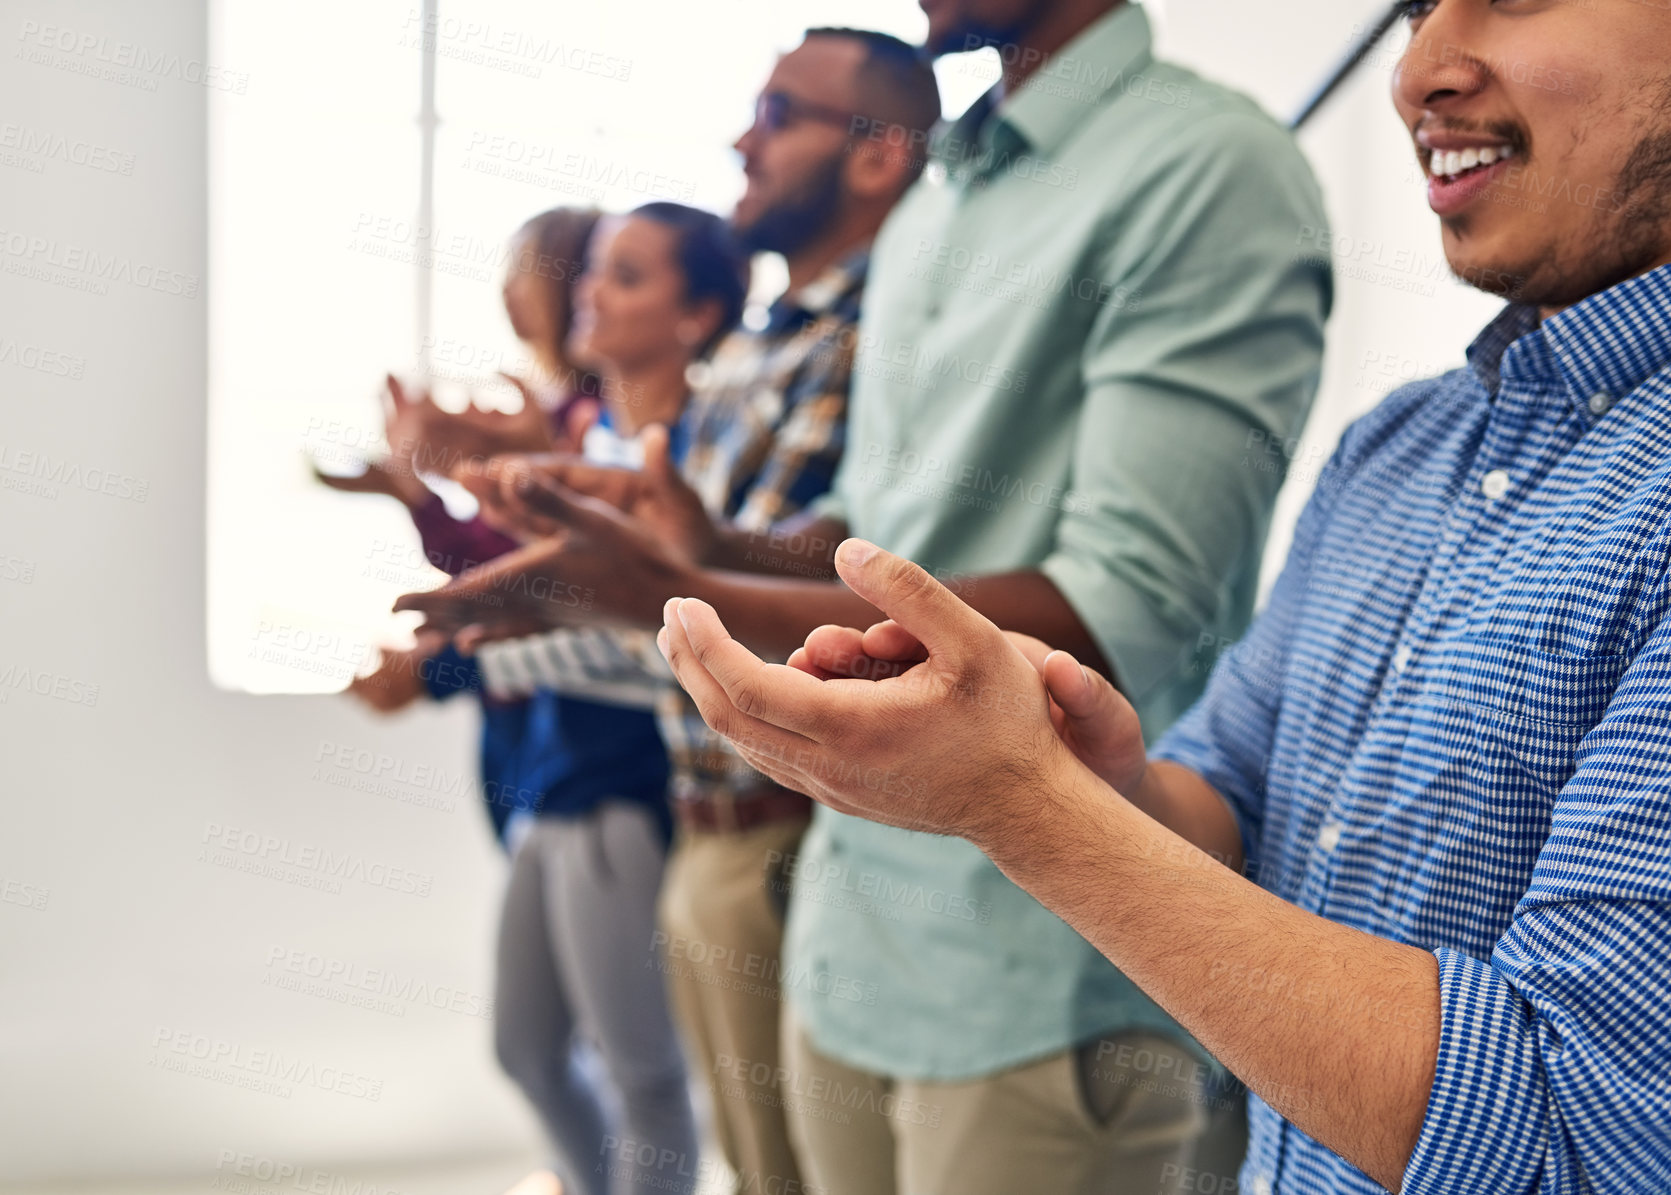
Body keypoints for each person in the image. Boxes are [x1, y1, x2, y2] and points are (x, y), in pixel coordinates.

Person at [655, 0, 1671, 1191]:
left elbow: (1571, 1122)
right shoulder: (1395, 450)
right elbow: (1229, 795)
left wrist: (1021, 804)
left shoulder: (1207, 169)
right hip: (875, 947)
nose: (1422, 74)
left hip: (1028, 1003)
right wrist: (1070, 764)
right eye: (1414, 11)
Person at [396, 1, 1330, 1190]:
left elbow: (1128, 606)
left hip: (1038, 959)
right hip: (854, 922)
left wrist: (672, 589)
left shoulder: (1205, 166)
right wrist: (709, 542)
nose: (747, 140)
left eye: (780, 114)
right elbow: (876, 546)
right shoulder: (939, 204)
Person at [446, 30, 939, 1195]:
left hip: (760, 808)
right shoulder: (761, 360)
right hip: (697, 798)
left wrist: (532, 614)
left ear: (875, 157)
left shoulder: (868, 340)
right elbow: (697, 568)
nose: (742, 138)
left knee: (714, 1115)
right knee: (722, 1135)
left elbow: (821, 572)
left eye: (778, 114)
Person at [335, 202, 749, 1195]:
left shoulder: (689, 457)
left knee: (641, 1067)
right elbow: (544, 600)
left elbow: (638, 640)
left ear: (696, 313)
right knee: (528, 1046)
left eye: (625, 275)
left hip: (619, 778)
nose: (585, 296)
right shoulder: (590, 438)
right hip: (550, 772)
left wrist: (449, 661)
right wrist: (431, 503)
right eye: (591, 271)